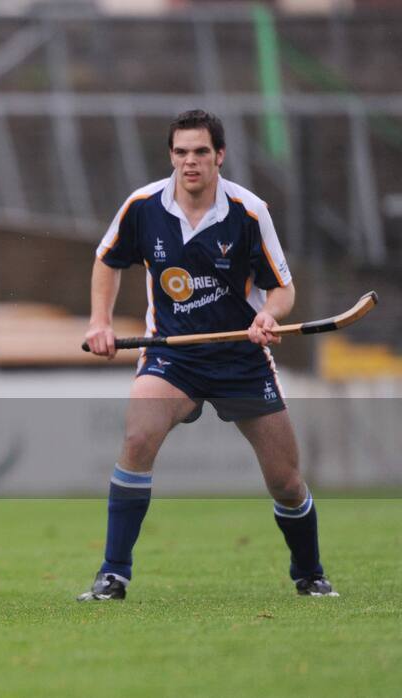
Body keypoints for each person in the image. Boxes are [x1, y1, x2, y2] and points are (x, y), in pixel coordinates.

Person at [78, 109, 337, 601]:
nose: (190, 162)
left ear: (220, 155)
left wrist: (267, 317)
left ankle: (310, 572)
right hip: (174, 358)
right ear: (170, 156)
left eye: (200, 152)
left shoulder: (248, 211)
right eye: (181, 153)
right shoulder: (143, 206)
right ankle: (114, 575)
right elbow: (107, 260)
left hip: (242, 358)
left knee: (285, 481)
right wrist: (100, 322)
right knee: (137, 439)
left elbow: (281, 289)